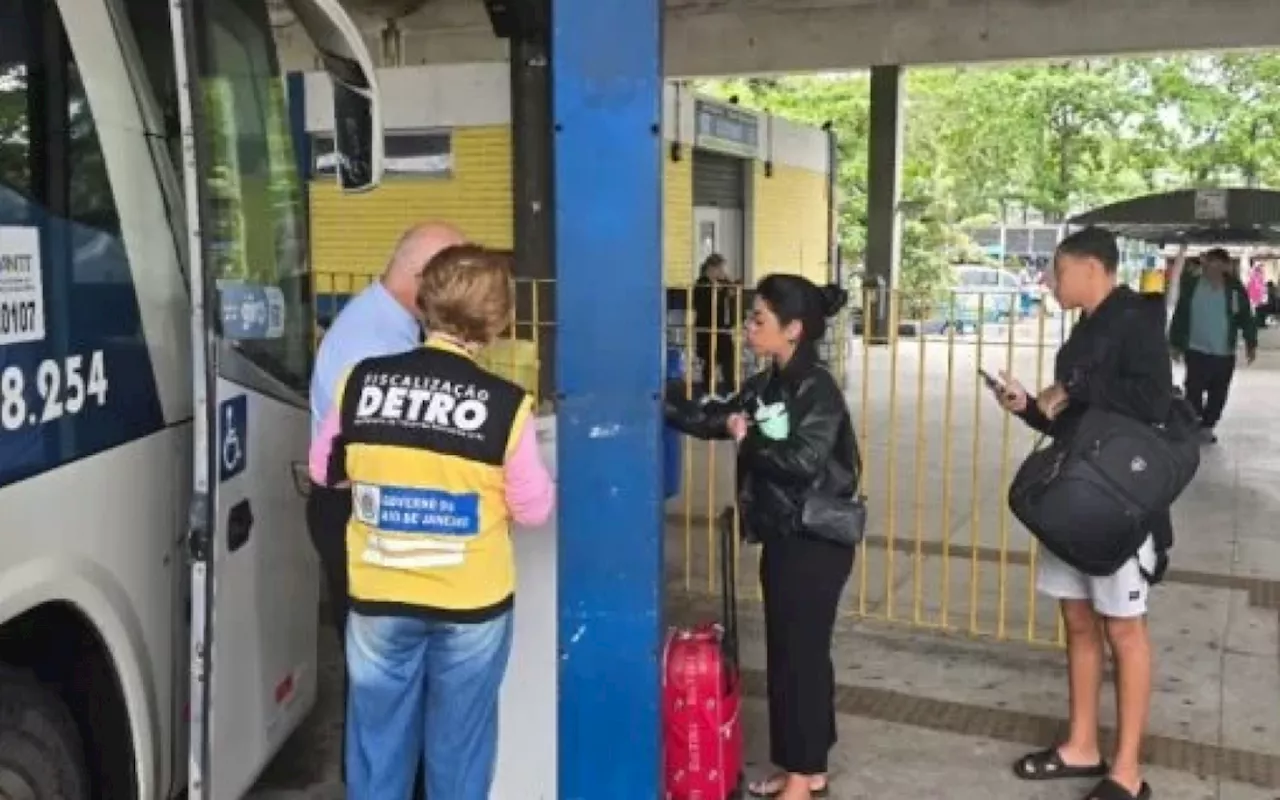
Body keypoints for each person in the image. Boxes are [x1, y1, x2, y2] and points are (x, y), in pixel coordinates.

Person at [310, 244, 555, 800]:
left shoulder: (360, 381)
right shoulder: (505, 404)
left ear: (424, 304)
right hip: (470, 603)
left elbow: (325, 470)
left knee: (377, 743)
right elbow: (534, 508)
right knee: (460, 748)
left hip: (379, 593)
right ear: (496, 324)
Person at [993, 227, 1170, 800]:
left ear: (1093, 266)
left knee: (1124, 629)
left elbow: (1153, 404)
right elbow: (1074, 419)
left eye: (1056, 269)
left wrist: (1074, 385)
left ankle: (1126, 771)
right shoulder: (1089, 325)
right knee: (1077, 621)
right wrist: (1031, 409)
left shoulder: (1138, 319)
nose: (1048, 280)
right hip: (1073, 494)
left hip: (1117, 500)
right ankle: (1081, 744)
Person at [667, 274, 857, 800]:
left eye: (759, 320)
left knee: (800, 656)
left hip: (815, 540)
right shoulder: (769, 383)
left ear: (793, 329)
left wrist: (746, 442)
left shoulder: (816, 389)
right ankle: (806, 765)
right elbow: (720, 417)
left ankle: (802, 775)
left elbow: (802, 461)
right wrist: (664, 405)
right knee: (789, 653)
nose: (748, 327)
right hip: (784, 534)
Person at [306, 221, 464, 794]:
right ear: (423, 279)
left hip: (364, 510)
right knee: (381, 679)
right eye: (453, 280)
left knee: (388, 674)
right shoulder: (375, 344)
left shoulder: (389, 325)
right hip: (358, 516)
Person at [1168, 247, 1258, 444]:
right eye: (1209, 266)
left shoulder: (1234, 289)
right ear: (1205, 265)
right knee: (1193, 388)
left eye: (1218, 267)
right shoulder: (1192, 286)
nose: (1213, 271)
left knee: (1219, 392)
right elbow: (1180, 315)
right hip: (1196, 349)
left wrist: (1251, 342)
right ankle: (1195, 422)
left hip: (1223, 352)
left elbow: (1245, 317)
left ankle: (1208, 425)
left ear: (1225, 267)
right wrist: (1174, 342)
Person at [693, 253, 741, 395]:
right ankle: (709, 392)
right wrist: (722, 292)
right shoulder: (701, 284)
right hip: (708, 329)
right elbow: (704, 306)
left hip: (722, 329)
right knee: (710, 361)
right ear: (711, 268)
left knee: (729, 361)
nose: (723, 272)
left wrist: (730, 288)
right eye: (720, 269)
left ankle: (732, 391)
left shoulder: (722, 284)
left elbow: (729, 302)